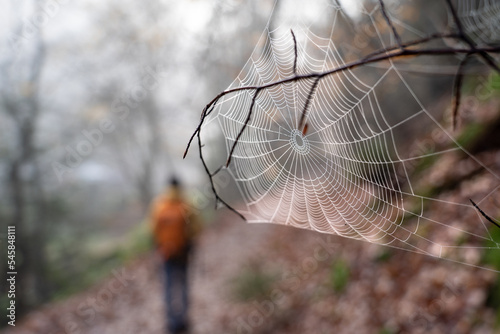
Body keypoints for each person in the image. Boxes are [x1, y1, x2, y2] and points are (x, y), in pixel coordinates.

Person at [150, 177, 200, 334]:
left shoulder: (158, 205)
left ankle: (171, 321)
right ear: (180, 187)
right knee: (183, 285)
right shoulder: (187, 204)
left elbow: (152, 229)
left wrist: (159, 246)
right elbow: (197, 227)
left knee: (169, 286)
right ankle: (183, 319)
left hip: (166, 253)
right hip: (183, 252)